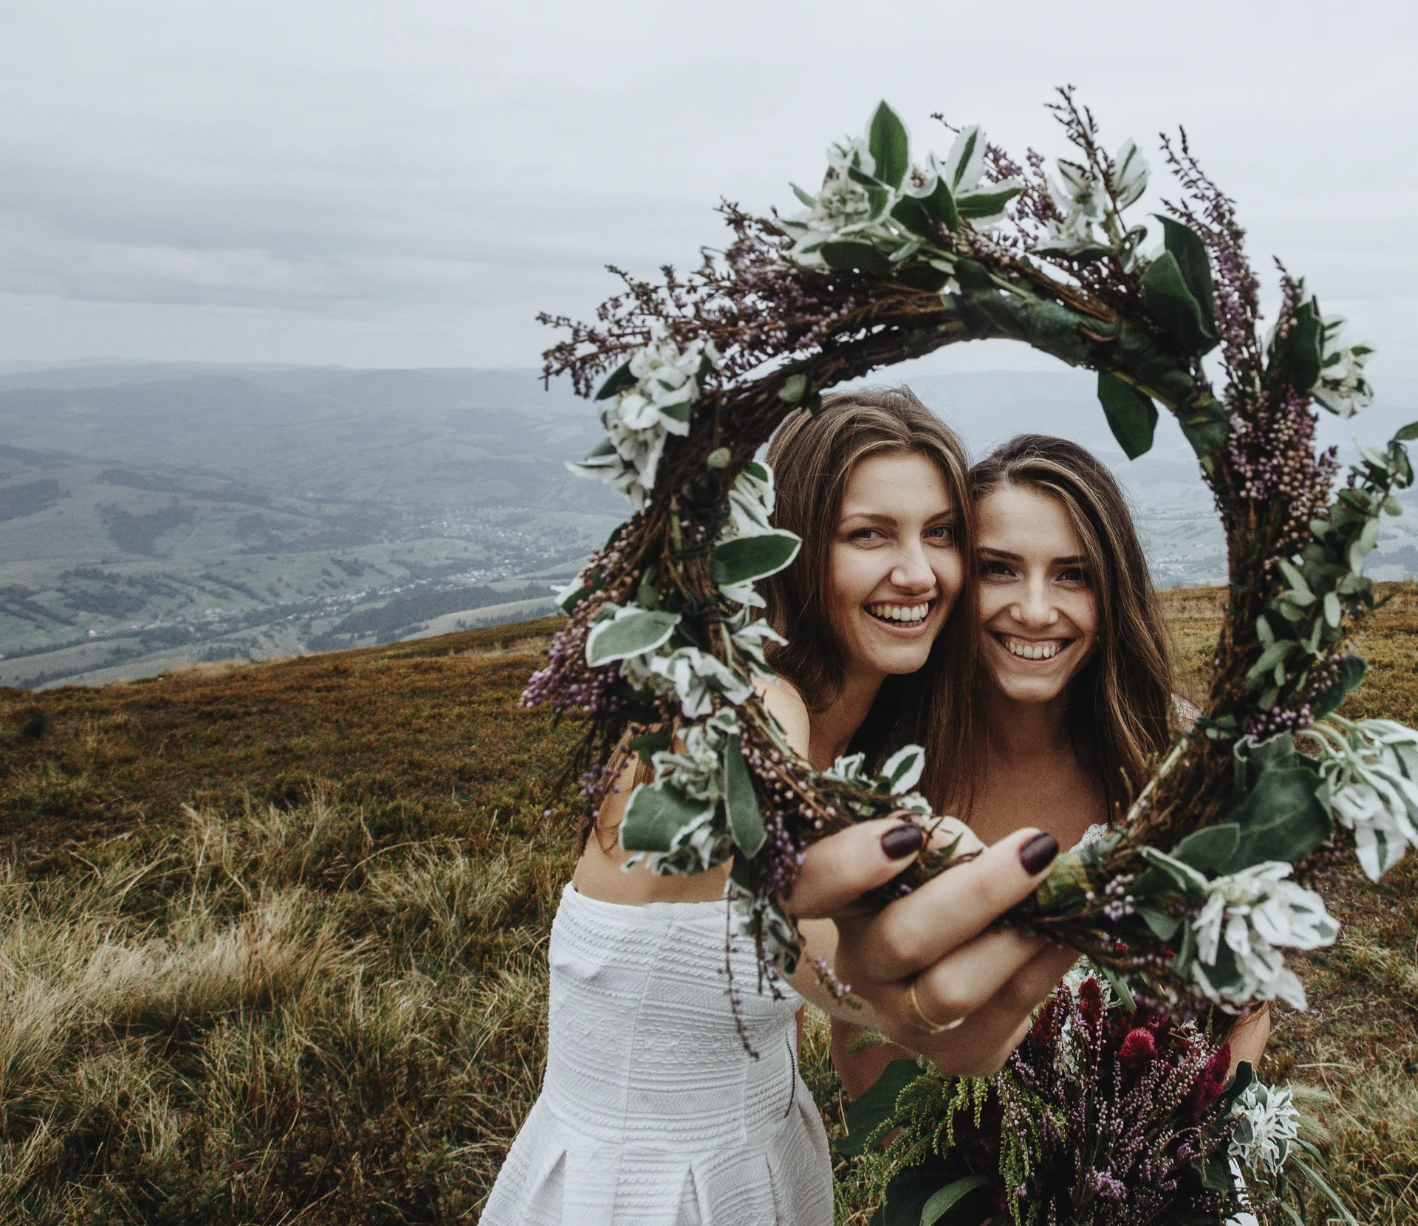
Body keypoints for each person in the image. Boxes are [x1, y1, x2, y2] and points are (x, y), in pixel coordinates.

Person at [481, 392, 1076, 1226]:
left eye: (940, 532)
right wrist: (906, 996)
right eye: (869, 533)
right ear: (788, 549)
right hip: (642, 1189)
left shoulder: (863, 737)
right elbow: (814, 931)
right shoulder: (750, 708)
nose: (918, 571)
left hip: (762, 1151)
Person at [833, 434, 1271, 1098]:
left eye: (1073, 574)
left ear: (1112, 589)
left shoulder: (1174, 764)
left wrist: (1187, 1144)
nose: (1036, 611)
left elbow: (1248, 1008)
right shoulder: (887, 784)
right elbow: (864, 1059)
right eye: (998, 569)